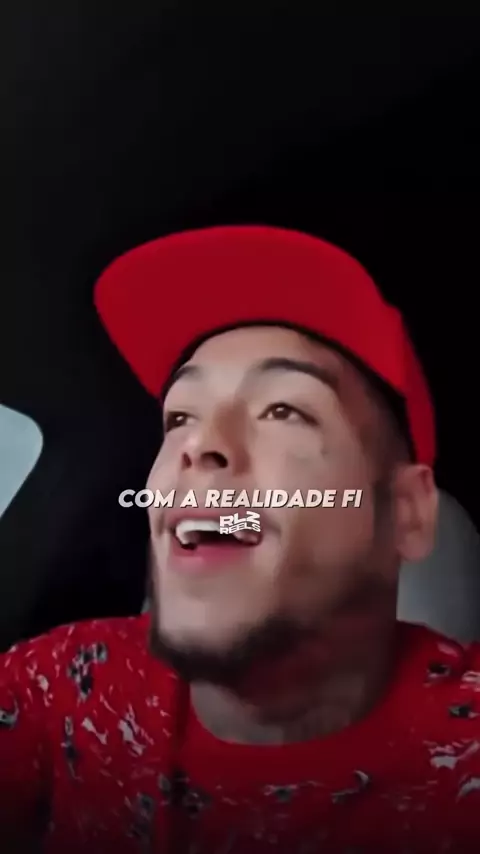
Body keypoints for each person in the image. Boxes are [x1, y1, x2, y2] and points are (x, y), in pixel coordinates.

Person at [1, 226, 479, 854]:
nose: (199, 445)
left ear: (407, 514)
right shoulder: (60, 682)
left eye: (284, 410)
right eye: (180, 416)